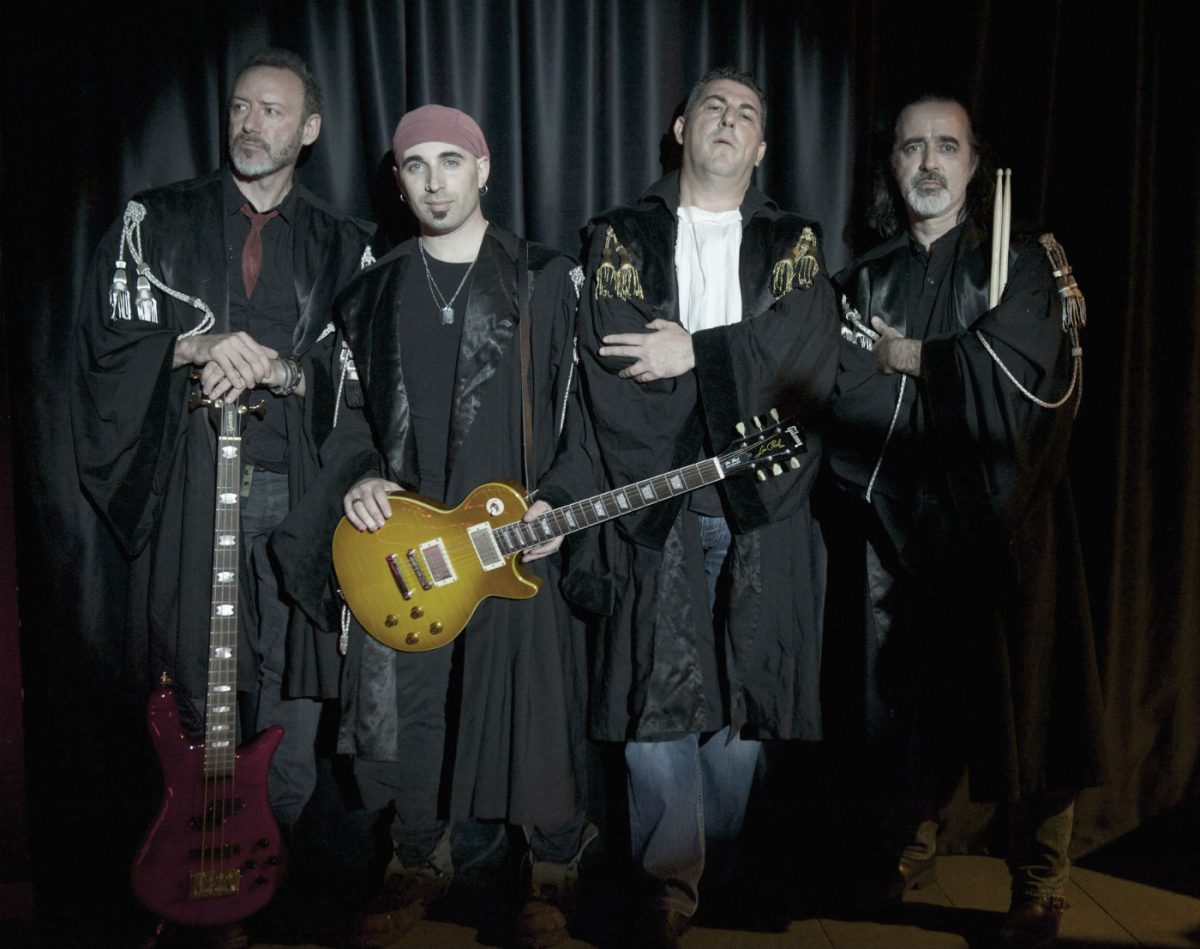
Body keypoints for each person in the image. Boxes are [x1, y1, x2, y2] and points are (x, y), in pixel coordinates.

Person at [271, 105, 597, 949]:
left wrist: (560, 498)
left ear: (483, 169)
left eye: (452, 161)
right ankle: (416, 857)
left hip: (516, 532)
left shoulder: (547, 279)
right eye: (415, 166)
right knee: (412, 703)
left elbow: (585, 411)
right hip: (413, 543)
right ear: (398, 180)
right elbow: (346, 419)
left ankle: (551, 866)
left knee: (532, 701)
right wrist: (359, 477)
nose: (434, 181)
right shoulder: (371, 293)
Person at [558, 67, 839, 948]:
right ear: (681, 129)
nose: (727, 119)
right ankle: (667, 881)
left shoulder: (794, 242)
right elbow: (617, 361)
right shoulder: (621, 236)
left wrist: (698, 351)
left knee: (743, 687)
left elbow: (805, 352)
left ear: (761, 146)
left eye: (746, 113)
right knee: (657, 685)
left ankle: (714, 857)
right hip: (659, 504)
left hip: (761, 505)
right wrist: (723, 381)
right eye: (712, 106)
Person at [73, 47, 372, 846]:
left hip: (298, 487)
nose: (250, 123)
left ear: (309, 129)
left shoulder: (347, 247)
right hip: (190, 481)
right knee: (192, 665)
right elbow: (104, 348)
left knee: (294, 671)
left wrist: (283, 370)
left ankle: (268, 848)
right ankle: (200, 842)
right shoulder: (152, 223)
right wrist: (193, 347)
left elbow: (371, 381)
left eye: (272, 111)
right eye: (241, 107)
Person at [825, 95, 1105, 948]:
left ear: (975, 164)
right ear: (893, 165)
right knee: (909, 705)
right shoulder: (866, 277)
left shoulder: (1022, 261)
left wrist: (908, 356)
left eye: (946, 146)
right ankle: (910, 845)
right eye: (912, 146)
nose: (928, 161)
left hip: (1009, 517)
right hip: (903, 523)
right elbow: (843, 391)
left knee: (1028, 703)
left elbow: (1020, 375)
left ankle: (1040, 878)